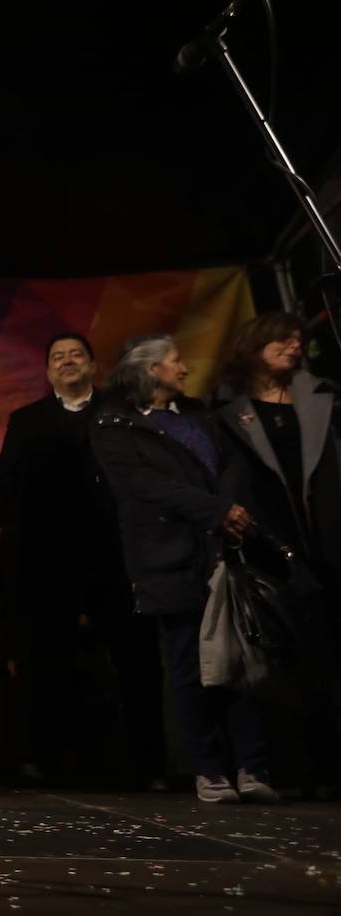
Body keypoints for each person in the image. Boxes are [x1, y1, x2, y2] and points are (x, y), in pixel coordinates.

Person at [0, 332, 163, 787]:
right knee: (44, 661)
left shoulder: (122, 411)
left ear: (93, 366)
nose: (67, 361)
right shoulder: (29, 419)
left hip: (118, 554)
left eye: (76, 354)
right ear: (49, 371)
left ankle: (148, 764)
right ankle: (44, 758)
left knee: (135, 660)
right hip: (49, 558)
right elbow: (5, 479)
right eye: (58, 356)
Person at [91, 334, 275, 804]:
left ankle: (251, 765)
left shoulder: (199, 415)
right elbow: (143, 485)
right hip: (167, 558)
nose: (184, 368)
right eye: (175, 361)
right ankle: (207, 768)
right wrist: (215, 511)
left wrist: (231, 511)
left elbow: (233, 465)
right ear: (151, 370)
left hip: (223, 553)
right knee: (188, 665)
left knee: (240, 661)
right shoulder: (115, 426)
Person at [215, 312, 341, 789]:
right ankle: (311, 768)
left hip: (329, 537)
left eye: (298, 340)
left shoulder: (323, 397)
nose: (294, 346)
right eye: (282, 340)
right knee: (295, 661)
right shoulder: (228, 412)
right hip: (275, 548)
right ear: (254, 347)